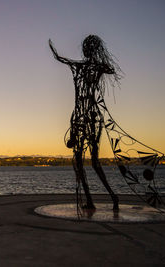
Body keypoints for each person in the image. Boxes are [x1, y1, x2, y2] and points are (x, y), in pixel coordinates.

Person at [49, 35, 120, 210]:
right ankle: (95, 200)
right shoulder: (91, 67)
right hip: (84, 118)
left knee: (89, 162)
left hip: (87, 118)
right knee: (82, 162)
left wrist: (54, 51)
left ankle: (109, 198)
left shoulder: (82, 66)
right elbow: (110, 68)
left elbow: (61, 59)